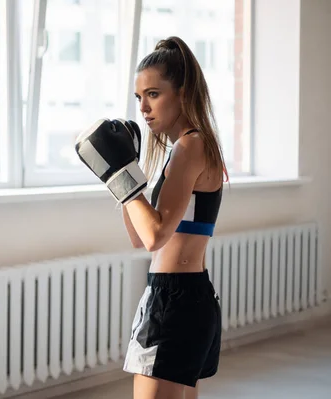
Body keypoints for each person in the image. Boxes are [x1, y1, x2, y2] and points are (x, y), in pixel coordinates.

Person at [75, 36, 227, 399]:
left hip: (176, 301)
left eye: (154, 94)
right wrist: (125, 173)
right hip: (179, 296)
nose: (143, 107)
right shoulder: (179, 152)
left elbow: (156, 236)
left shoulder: (191, 146)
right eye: (139, 97)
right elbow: (139, 237)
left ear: (183, 92)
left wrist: (121, 177)